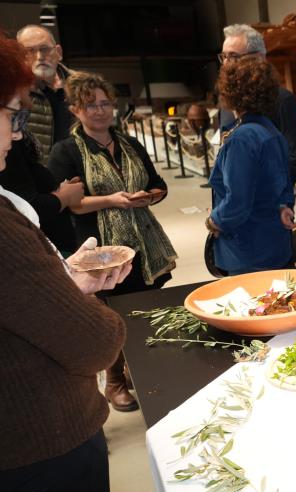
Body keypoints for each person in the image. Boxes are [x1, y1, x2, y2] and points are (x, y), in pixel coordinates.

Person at [0, 11, 128, 492]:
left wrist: (59, 281)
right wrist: (83, 299)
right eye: (13, 115)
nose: (17, 134)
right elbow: (95, 343)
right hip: (36, 453)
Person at [48, 71, 178, 411]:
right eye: (91, 105)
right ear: (76, 109)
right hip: (102, 249)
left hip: (144, 242)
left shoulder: (130, 143)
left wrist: (147, 197)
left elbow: (158, 184)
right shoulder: (67, 152)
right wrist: (112, 200)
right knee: (111, 317)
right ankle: (115, 380)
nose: (100, 111)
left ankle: (139, 369)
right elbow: (70, 202)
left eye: (106, 103)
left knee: (143, 310)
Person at [206, 59, 295, 274]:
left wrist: (214, 221)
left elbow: (237, 201)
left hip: (247, 248)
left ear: (230, 93)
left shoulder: (242, 139)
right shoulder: (271, 131)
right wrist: (285, 205)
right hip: (274, 241)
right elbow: (285, 183)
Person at [219, 24, 296, 186]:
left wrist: (265, 193)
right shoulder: (226, 101)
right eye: (223, 56)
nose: (226, 64)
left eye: (233, 56)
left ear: (259, 58)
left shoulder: (281, 100)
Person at [0, 130, 83, 253]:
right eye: (9, 117)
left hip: (50, 246)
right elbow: (25, 206)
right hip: (40, 249)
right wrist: (64, 197)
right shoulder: (8, 143)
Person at [16, 24, 73, 161]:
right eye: (30, 51)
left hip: (79, 174)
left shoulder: (82, 87)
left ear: (58, 52)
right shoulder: (14, 92)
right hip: (37, 177)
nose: (39, 56)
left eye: (45, 49)